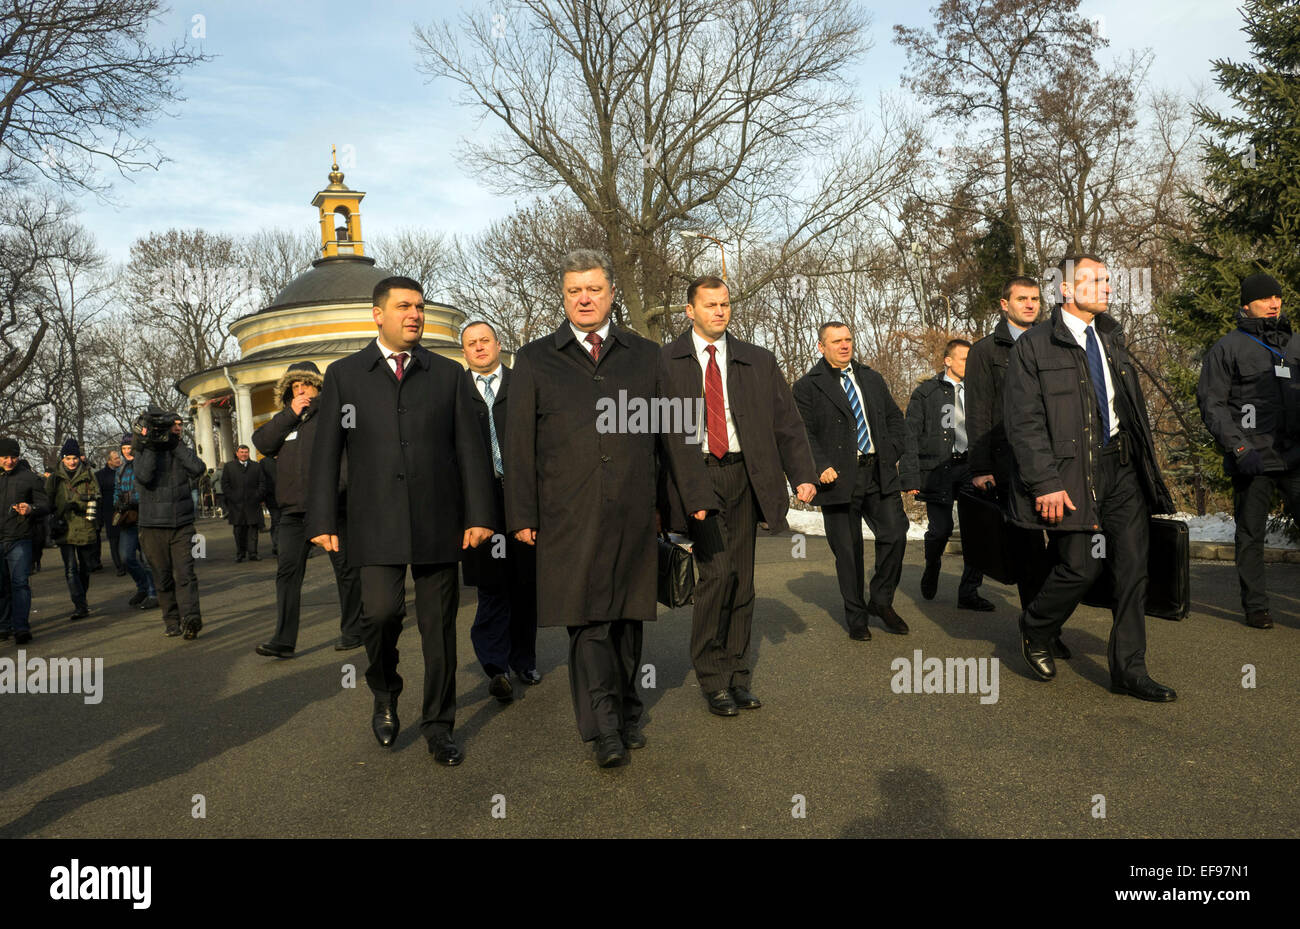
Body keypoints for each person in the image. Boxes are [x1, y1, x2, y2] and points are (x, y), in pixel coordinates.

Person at [506, 250, 714, 769]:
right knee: (589, 621)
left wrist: (694, 502)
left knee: (626, 619)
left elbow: (677, 434)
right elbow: (518, 446)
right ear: (563, 296)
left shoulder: (646, 355)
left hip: (633, 513)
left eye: (594, 289)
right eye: (575, 290)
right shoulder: (534, 359)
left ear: (610, 294)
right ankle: (603, 730)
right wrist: (522, 515)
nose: (584, 298)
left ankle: (625, 707)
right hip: (567, 516)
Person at [308, 276, 495, 767]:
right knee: (381, 614)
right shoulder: (346, 376)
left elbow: (471, 452)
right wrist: (323, 517)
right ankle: (385, 689)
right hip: (373, 525)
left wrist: (480, 514)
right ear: (378, 314)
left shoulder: (448, 375)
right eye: (403, 307)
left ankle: (439, 725)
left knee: (439, 630)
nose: (414, 314)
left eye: (419, 307)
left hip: (439, 522)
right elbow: (327, 452)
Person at [1004, 254, 1176, 701]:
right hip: (1070, 474)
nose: (1106, 287)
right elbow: (1024, 423)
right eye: (1094, 280)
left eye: (1107, 279)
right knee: (1080, 567)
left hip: (1121, 467)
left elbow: (1128, 408)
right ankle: (1037, 625)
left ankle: (1129, 670)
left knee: (1134, 568)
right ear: (1065, 289)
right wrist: (1044, 482)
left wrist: (1144, 466)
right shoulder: (1035, 346)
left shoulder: (1112, 337)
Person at [661, 276, 817, 717]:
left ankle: (737, 675)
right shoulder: (665, 362)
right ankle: (713, 677)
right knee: (715, 577)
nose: (719, 311)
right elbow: (659, 437)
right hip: (695, 478)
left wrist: (801, 473)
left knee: (742, 581)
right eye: (709, 305)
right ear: (689, 310)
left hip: (744, 476)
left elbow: (787, 422)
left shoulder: (757, 361)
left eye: (725, 304)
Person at [793, 322, 919, 640]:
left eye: (848, 339)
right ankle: (856, 617)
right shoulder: (807, 387)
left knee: (895, 534)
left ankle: (881, 601)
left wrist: (889, 451)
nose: (845, 345)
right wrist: (820, 465)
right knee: (848, 553)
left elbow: (894, 418)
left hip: (878, 472)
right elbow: (802, 432)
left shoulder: (871, 378)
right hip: (836, 480)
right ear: (821, 347)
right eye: (836, 341)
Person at [1197, 272, 1300, 629]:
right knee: (1250, 535)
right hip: (1252, 458)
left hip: (1294, 457)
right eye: (1265, 299)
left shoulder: (1294, 343)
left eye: (1277, 297)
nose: (1274, 304)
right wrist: (1240, 447)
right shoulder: (1228, 347)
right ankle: (1256, 607)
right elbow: (1212, 404)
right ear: (1246, 305)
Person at [966, 277, 1060, 651]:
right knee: (1028, 551)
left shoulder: (1053, 341)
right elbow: (978, 411)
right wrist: (980, 466)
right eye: (1022, 299)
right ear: (1003, 304)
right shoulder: (986, 351)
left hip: (1057, 459)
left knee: (1067, 551)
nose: (1030, 305)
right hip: (1009, 463)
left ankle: (1046, 620)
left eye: (1035, 299)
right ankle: (1041, 631)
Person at [253, 361, 364, 658]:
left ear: (318, 386)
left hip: (328, 507)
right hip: (291, 512)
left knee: (346, 570)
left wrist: (334, 492)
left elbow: (348, 459)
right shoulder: (286, 419)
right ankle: (284, 639)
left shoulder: (333, 413)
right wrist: (290, 414)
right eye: (294, 387)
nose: (300, 390)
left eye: (305, 385)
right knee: (287, 573)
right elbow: (261, 442)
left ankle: (354, 630)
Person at [460, 321, 541, 704]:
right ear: (464, 352)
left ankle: (524, 659)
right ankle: (496, 667)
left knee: (526, 586)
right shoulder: (456, 392)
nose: (479, 348)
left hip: (523, 499)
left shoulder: (522, 383)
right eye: (471, 344)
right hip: (482, 505)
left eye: (484, 341)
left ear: (497, 344)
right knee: (493, 586)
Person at [905, 338, 992, 611]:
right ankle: (932, 566)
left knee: (977, 532)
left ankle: (969, 592)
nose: (970, 364)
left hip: (972, 467)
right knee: (940, 530)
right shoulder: (926, 393)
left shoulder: (981, 390)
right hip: (938, 468)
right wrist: (910, 476)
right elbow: (909, 435)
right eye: (964, 359)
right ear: (948, 361)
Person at [135, 410, 206, 639]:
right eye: (173, 425)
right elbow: (144, 476)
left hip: (181, 523)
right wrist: (154, 446)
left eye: (179, 424)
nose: (177, 427)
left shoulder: (181, 447)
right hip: (152, 525)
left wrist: (174, 444)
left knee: (186, 574)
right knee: (163, 577)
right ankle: (172, 620)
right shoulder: (144, 447)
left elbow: (198, 468)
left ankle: (191, 618)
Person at [45, 438, 100, 621]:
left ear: (79, 458)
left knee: (85, 568)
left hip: (84, 525)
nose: (72, 461)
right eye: (68, 458)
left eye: (74, 458)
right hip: (64, 527)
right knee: (70, 569)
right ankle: (79, 605)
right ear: (62, 459)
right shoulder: (54, 478)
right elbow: (47, 501)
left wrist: (81, 506)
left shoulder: (89, 474)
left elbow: (96, 497)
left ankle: (81, 598)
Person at [0, 438, 48, 645]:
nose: (9, 461)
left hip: (20, 538)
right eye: (5, 457)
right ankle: (3, 625)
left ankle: (21, 627)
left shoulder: (29, 478)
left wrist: (31, 509)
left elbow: (46, 505)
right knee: (1, 585)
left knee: (20, 583)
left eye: (13, 456)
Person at [113, 433, 157, 610]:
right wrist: (117, 502)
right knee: (126, 557)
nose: (126, 451)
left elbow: (149, 489)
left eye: (129, 447)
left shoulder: (144, 466)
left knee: (147, 558)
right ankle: (143, 587)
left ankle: (154, 593)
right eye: (123, 448)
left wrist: (133, 499)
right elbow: (117, 490)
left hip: (145, 516)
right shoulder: (120, 469)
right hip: (127, 518)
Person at [222, 445, 264, 562]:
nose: (244, 454)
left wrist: (257, 496)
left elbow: (262, 483)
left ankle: (253, 553)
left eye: (246, 452)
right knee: (238, 531)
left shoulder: (256, 466)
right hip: (236, 505)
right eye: (241, 452)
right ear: (237, 453)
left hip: (252, 504)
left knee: (253, 530)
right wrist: (232, 497)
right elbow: (225, 484)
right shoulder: (229, 467)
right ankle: (240, 553)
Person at [96, 451, 125, 576]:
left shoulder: (125, 471)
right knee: (114, 540)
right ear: (109, 461)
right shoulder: (100, 475)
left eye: (119, 457)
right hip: (109, 511)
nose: (119, 460)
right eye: (116, 458)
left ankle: (127, 562)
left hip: (125, 510)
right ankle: (119, 566)